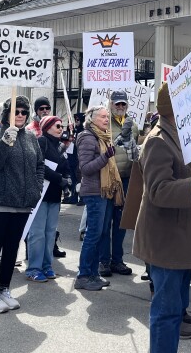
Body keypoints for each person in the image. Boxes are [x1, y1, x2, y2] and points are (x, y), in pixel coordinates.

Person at [133, 82, 191, 352]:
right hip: (166, 240)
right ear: (174, 108)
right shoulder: (158, 140)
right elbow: (158, 190)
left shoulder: (183, 136)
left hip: (179, 237)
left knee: (174, 307)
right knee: (166, 313)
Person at [0, 96, 44, 312]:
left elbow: (39, 164)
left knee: (11, 249)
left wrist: (36, 189)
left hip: (23, 203)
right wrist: (5, 142)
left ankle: (4, 289)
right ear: (7, 114)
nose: (20, 115)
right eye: (15, 111)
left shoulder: (31, 137)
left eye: (23, 112)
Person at [74, 105, 123, 292]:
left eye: (107, 116)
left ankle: (93, 274)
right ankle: (84, 275)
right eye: (102, 116)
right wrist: (105, 157)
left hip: (104, 191)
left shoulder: (102, 136)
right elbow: (85, 168)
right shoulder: (87, 137)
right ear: (92, 119)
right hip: (94, 192)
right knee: (93, 234)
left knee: (101, 233)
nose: (106, 119)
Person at [99, 90, 138, 278]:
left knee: (121, 223)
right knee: (105, 223)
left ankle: (117, 260)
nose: (120, 107)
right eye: (117, 104)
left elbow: (137, 153)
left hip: (127, 179)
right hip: (109, 179)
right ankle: (104, 261)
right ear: (110, 104)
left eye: (123, 104)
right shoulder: (104, 124)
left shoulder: (134, 126)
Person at [27, 115, 69, 282]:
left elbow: (66, 167)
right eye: (57, 125)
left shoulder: (60, 146)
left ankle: (47, 265)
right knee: (37, 233)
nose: (61, 128)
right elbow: (39, 165)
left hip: (54, 195)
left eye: (61, 126)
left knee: (50, 233)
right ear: (47, 127)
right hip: (40, 194)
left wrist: (68, 180)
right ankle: (33, 269)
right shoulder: (41, 141)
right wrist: (60, 178)